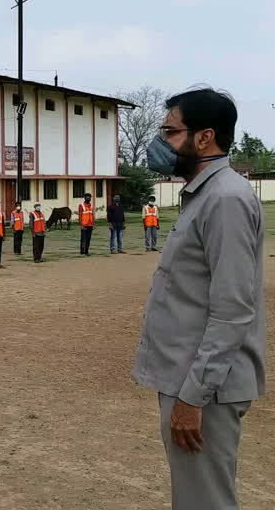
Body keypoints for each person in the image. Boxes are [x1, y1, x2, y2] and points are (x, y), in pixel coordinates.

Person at [132, 88, 265, 510]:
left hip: (205, 388)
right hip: (190, 379)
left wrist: (193, 398)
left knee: (205, 502)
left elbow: (232, 311)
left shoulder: (225, 199)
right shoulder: (205, 194)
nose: (161, 141)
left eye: (170, 131)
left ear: (205, 138)